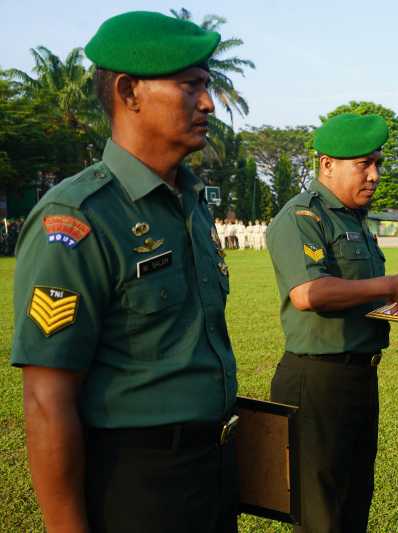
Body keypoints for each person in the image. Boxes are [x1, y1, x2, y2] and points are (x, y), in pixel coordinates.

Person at [10, 11, 239, 533]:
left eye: (207, 86)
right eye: (191, 86)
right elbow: (47, 401)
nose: (207, 103)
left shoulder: (191, 203)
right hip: (137, 484)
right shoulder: (77, 219)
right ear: (129, 91)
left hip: (214, 468)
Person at [267, 112, 398, 533]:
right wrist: (389, 285)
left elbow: (364, 290)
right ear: (327, 164)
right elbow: (309, 293)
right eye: (363, 164)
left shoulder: (354, 220)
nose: (375, 175)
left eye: (378, 163)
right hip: (316, 380)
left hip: (359, 376)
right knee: (320, 511)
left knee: (354, 498)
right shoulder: (302, 217)